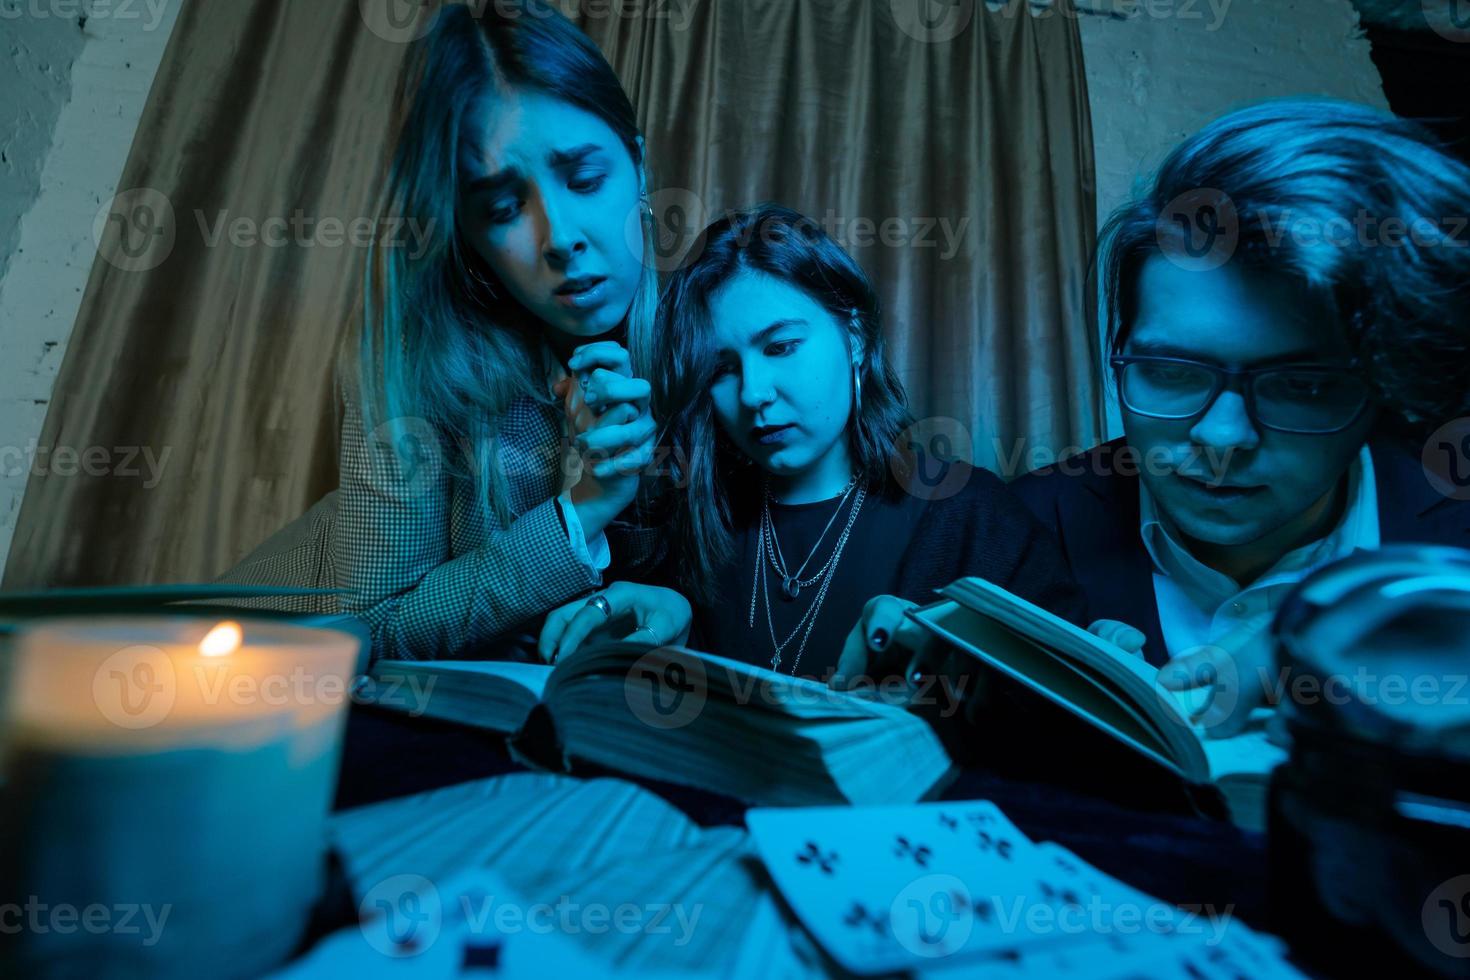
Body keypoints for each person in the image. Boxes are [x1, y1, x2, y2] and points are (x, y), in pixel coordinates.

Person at [1012, 99, 1470, 735]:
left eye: (1302, 386)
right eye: (1171, 371)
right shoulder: (1009, 528)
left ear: (1381, 389)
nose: (1222, 437)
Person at [538, 204, 1085, 688]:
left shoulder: (974, 516)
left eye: (781, 346)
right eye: (723, 369)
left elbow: (1074, 717)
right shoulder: (684, 520)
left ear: (856, 337)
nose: (753, 393)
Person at [335, 0, 666, 662]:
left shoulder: (721, 338)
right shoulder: (412, 360)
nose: (562, 238)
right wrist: (582, 512)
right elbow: (368, 632)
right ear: (467, 232)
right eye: (505, 207)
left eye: (585, 178)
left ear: (638, 167)